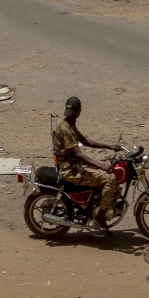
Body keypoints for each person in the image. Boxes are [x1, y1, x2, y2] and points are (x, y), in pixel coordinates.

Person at [54, 96, 121, 231]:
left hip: (73, 165)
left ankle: (98, 203)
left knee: (106, 167)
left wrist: (109, 146)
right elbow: (78, 154)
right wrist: (100, 166)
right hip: (70, 169)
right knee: (110, 178)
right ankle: (100, 217)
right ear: (79, 111)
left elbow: (86, 142)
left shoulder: (69, 123)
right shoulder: (67, 129)